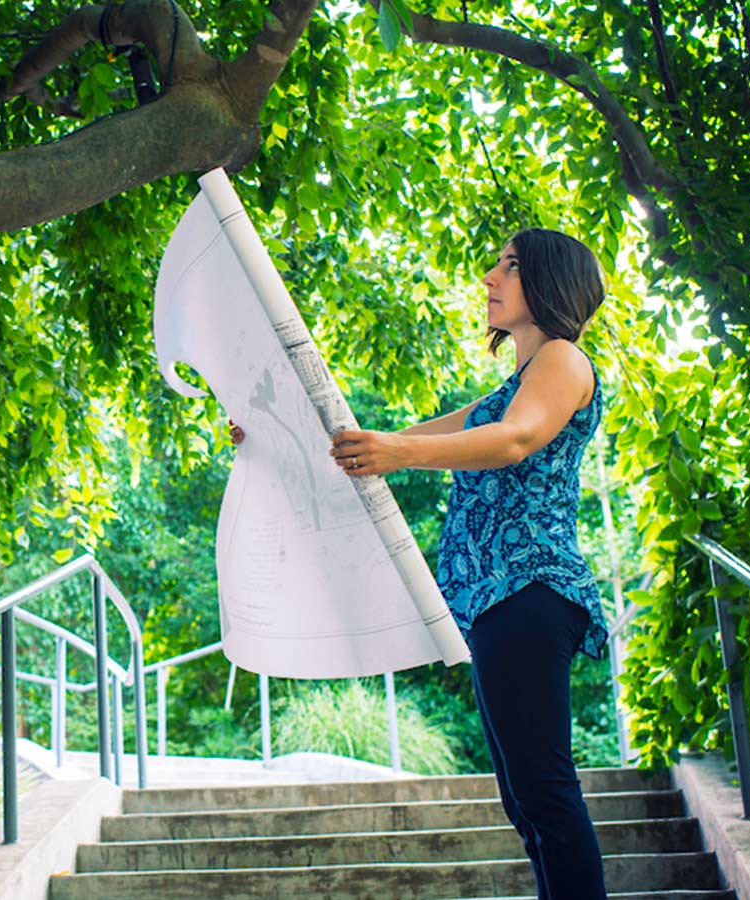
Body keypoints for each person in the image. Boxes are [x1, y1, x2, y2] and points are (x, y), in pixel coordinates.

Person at [230, 227, 610, 900]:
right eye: (496, 265)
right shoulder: (513, 385)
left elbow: (515, 439)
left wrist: (397, 455)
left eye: (510, 266)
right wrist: (277, 438)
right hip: (497, 606)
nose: (491, 278)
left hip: (530, 593)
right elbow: (387, 442)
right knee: (526, 804)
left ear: (551, 282)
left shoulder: (563, 360)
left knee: (545, 796)